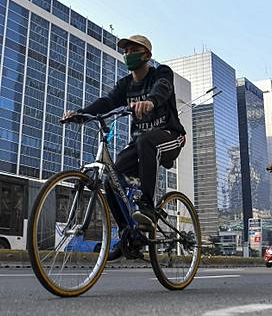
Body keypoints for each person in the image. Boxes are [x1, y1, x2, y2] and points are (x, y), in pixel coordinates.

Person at [62, 34, 186, 236]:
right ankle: (128, 234)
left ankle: (148, 207)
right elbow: (107, 101)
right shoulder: (125, 84)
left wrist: (151, 101)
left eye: (134, 51)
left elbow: (163, 87)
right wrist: (81, 114)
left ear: (147, 55)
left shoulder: (160, 73)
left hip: (170, 136)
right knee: (112, 177)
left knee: (146, 141)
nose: (128, 55)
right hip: (140, 143)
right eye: (126, 51)